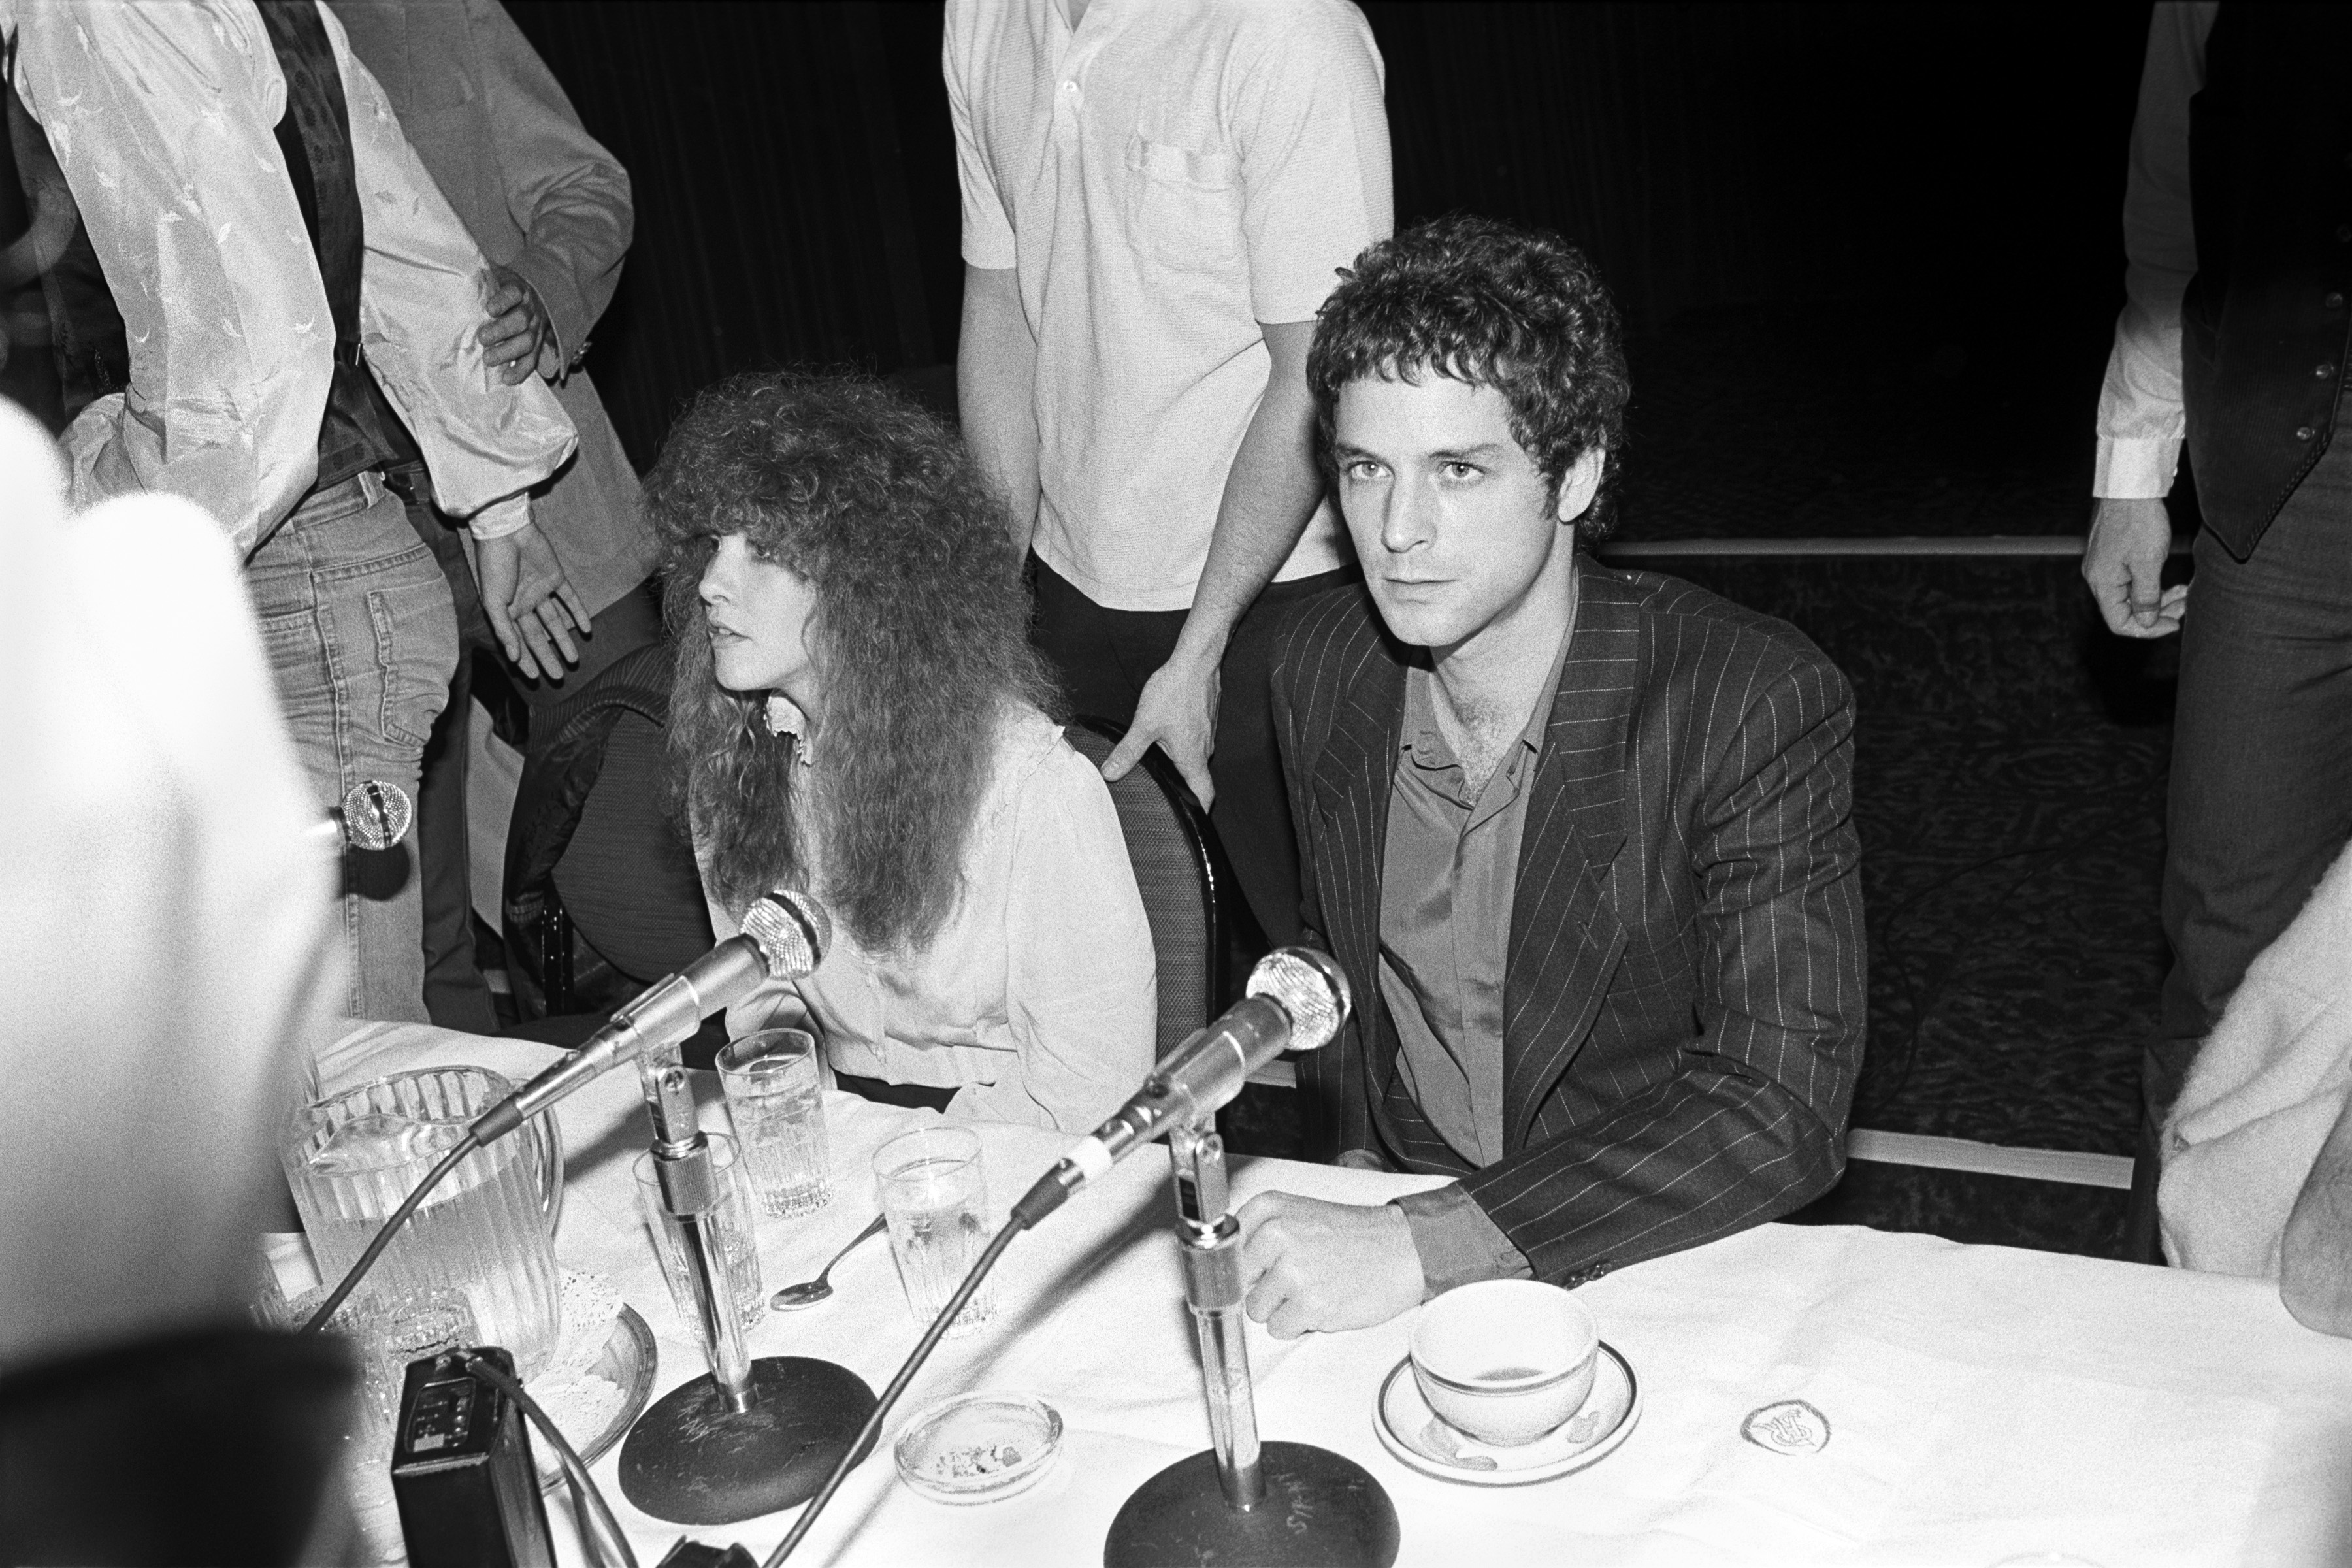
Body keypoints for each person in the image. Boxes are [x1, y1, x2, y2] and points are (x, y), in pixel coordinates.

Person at [1237, 217, 1867, 1337]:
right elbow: (1334, 964)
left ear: (1574, 476)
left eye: (1459, 471)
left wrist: (1425, 1242)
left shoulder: (1745, 700)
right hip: (1390, 1227)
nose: (1398, 530)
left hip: (1637, 1236)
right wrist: (1355, 1166)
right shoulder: (1316, 662)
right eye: (1367, 468)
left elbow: (1780, 1108)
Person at [2, 0, 580, 1026]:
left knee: (341, 1094)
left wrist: (92, 514)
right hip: (325, 569)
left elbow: (242, 355)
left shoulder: (84, 10)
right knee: (320, 1094)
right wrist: (498, 501)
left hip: (287, 585)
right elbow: (404, 242)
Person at [945, 0, 1392, 950]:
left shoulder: (1287, 30)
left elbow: (1320, 370)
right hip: (1071, 585)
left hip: (1276, 594)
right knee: (1135, 995)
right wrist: (989, 602)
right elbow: (999, 303)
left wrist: (1200, 650)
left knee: (1333, 990)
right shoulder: (981, 15)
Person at [647, 373, 1156, 1133]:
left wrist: (904, 1159)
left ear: (867, 581)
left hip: (1015, 1158)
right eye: (713, 547)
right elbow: (763, 1007)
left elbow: (1094, 1095)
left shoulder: (1032, 790)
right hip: (842, 1140)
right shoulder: (735, 769)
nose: (714, 585)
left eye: (761, 550)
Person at [2080, 3, 2352, 1261]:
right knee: (2228, 934)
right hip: (2296, 466)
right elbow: (2172, 198)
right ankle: (2168, 1324)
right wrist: (2135, 471)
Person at [333, 0, 665, 1032]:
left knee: (639, 863)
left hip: (551, 510)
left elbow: (587, 187)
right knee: (406, 916)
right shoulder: (194, 46)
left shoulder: (431, 13)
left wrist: (544, 290)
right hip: (356, 534)